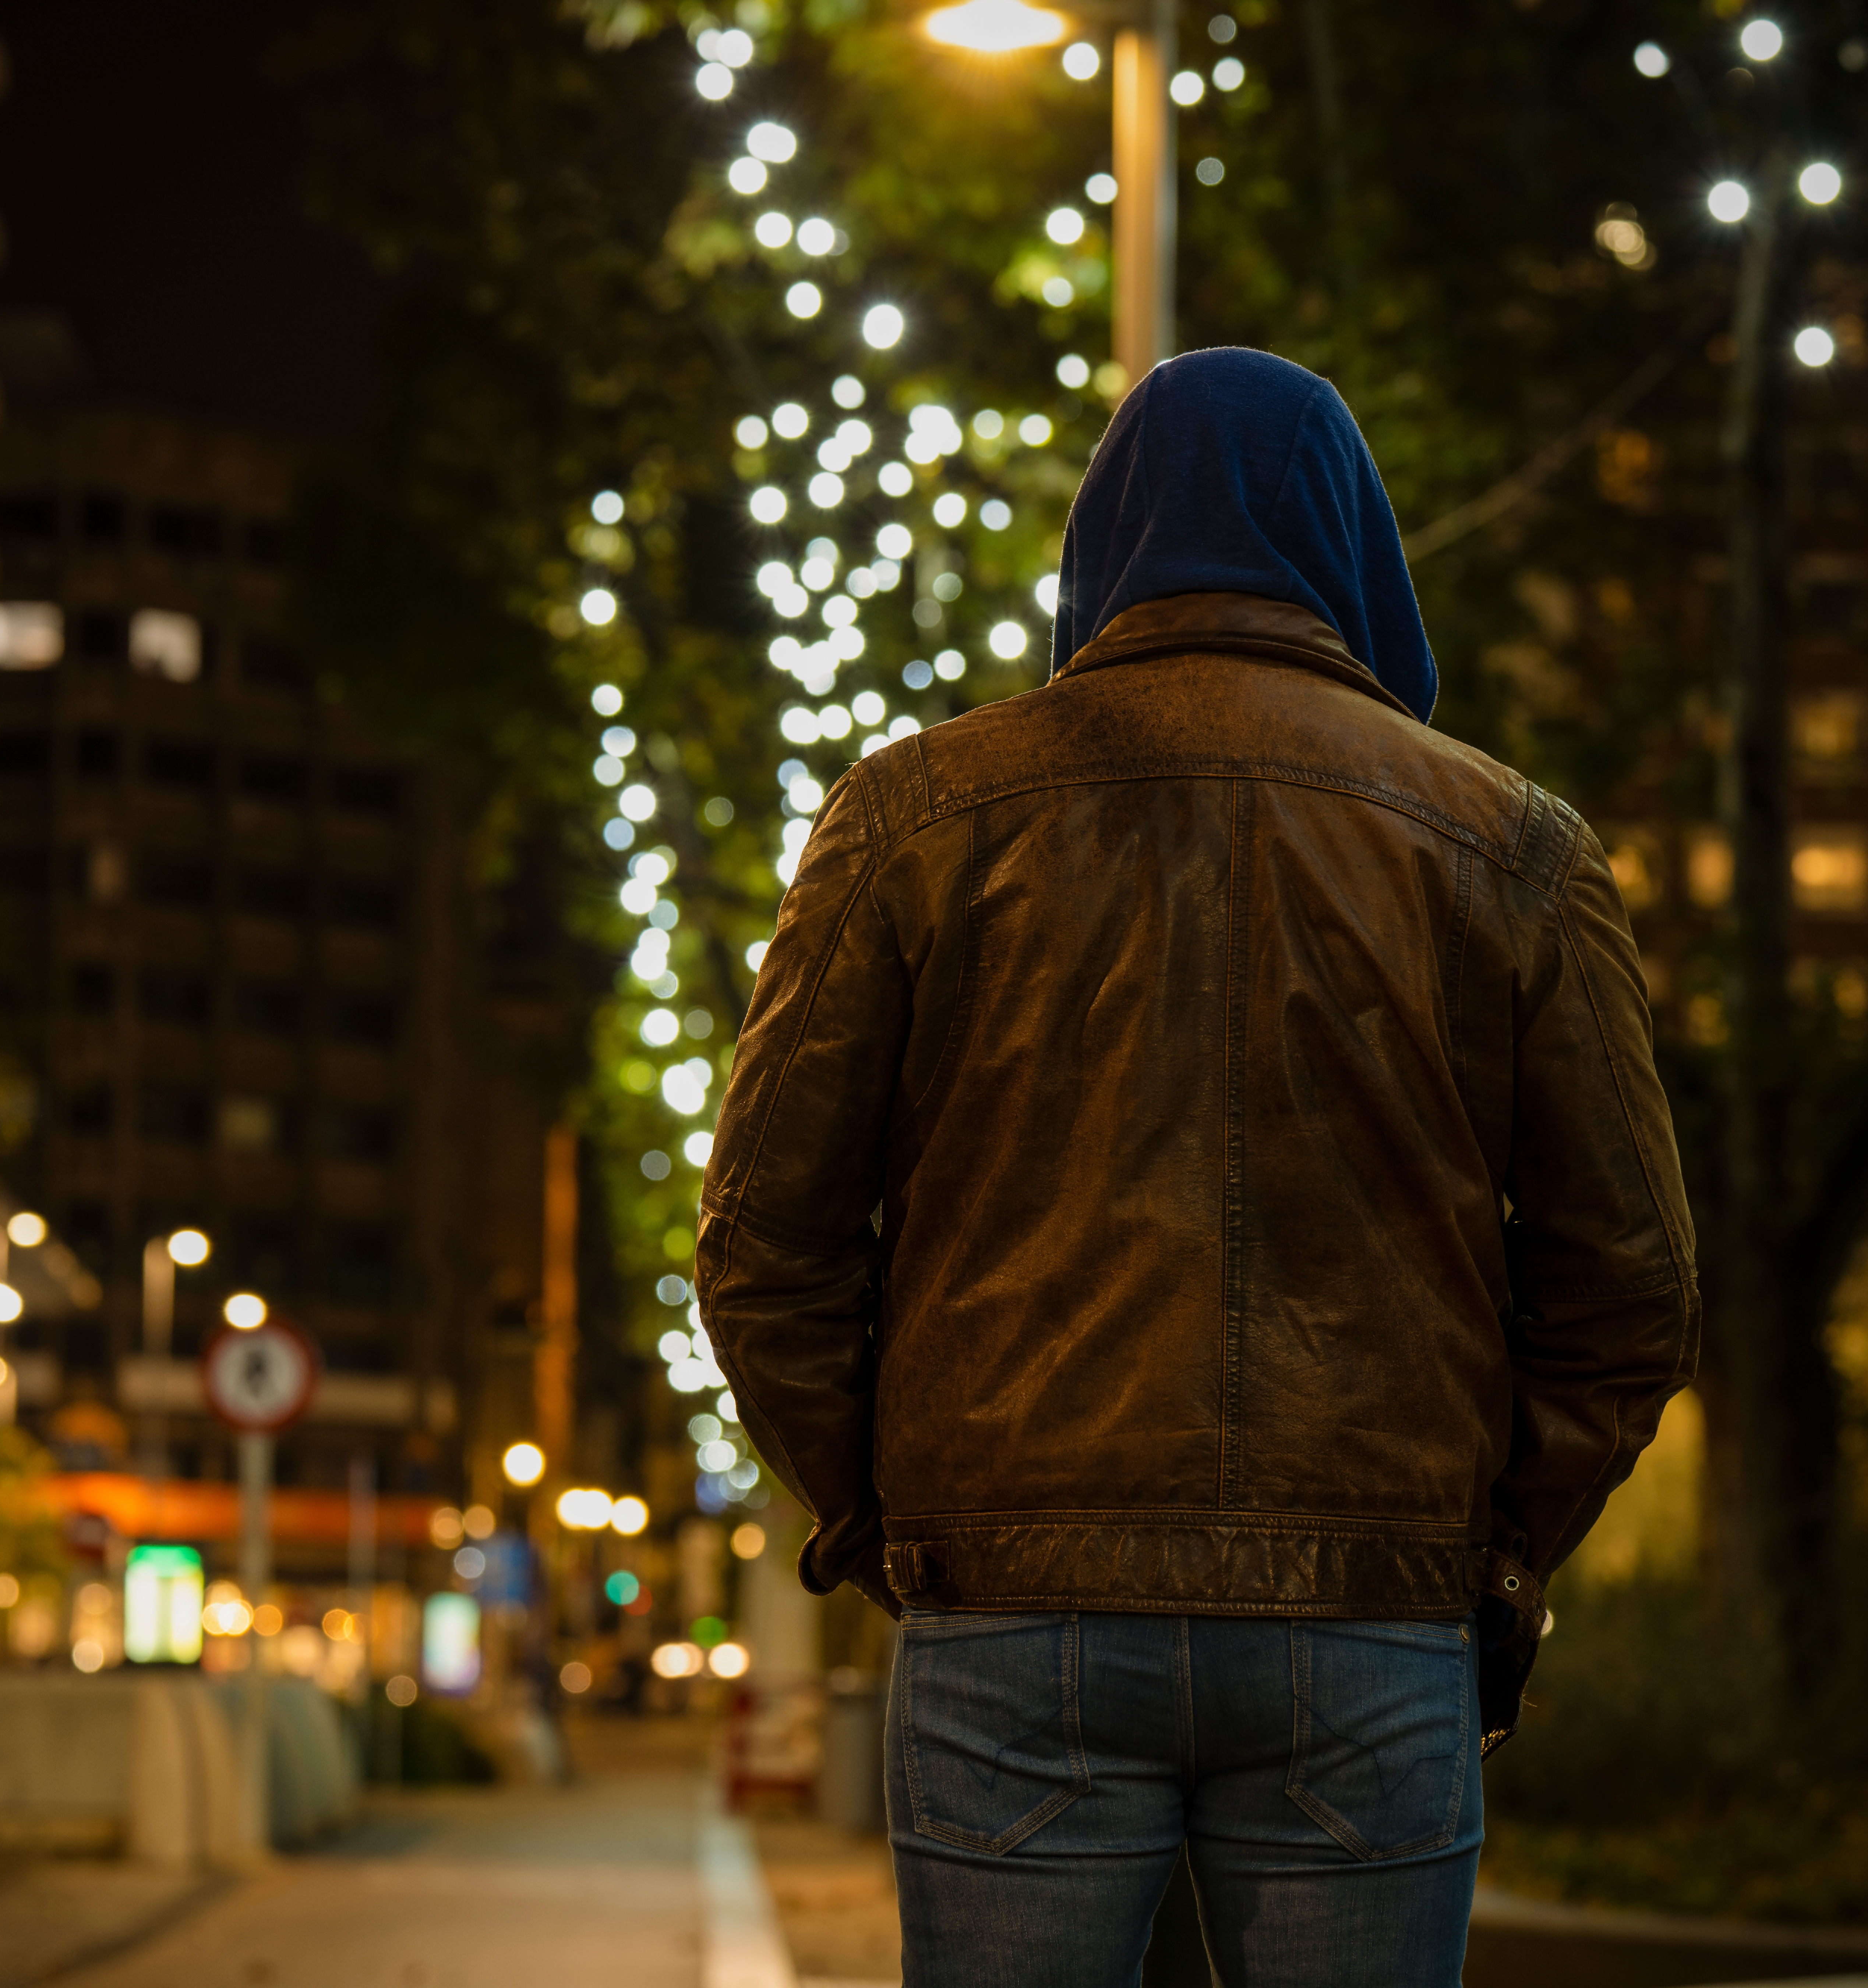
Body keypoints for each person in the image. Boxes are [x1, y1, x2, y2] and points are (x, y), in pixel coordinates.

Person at [696, 348, 1697, 1988]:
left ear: (1101, 548)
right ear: (1355, 549)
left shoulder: (913, 816)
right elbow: (1633, 1287)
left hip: (1013, 1616)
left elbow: (760, 1252)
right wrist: (1490, 1551)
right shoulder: (1510, 847)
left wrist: (894, 1522)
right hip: (1370, 1623)